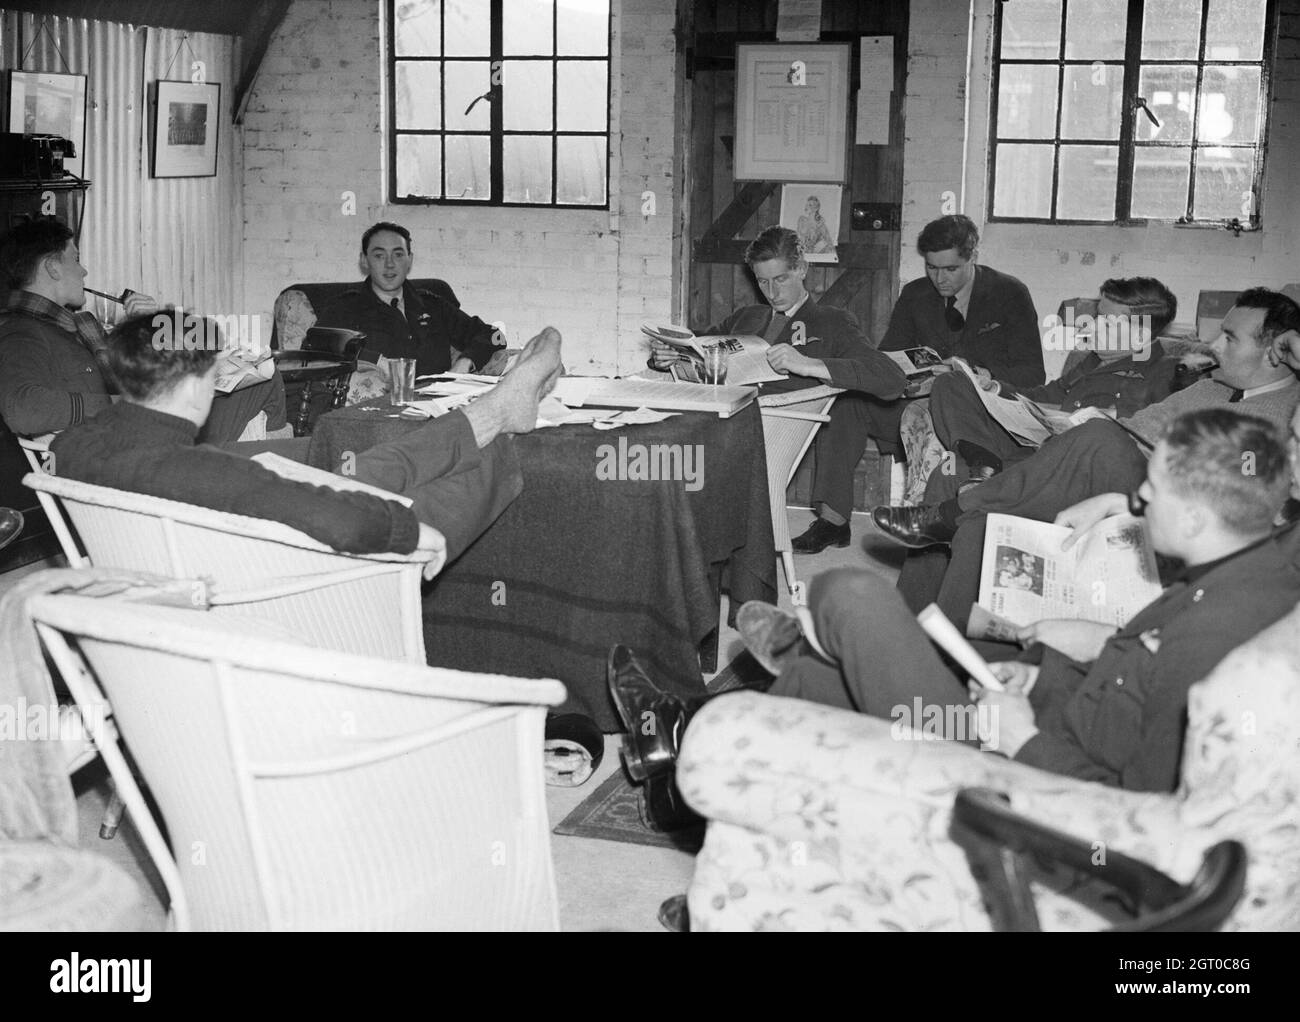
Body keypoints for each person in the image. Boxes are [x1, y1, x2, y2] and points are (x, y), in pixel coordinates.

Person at [610, 406, 1300, 828]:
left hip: (1023, 785)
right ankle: (688, 761)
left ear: (1201, 517)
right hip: (1044, 712)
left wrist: (1022, 738)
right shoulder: (1251, 574)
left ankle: (739, 703)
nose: (1135, 499)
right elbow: (1136, 669)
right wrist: (1065, 662)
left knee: (851, 595)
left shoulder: (1226, 652)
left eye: (1150, 495)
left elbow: (1134, 818)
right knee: (821, 691)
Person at [873, 287, 1300, 626]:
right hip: (1089, 456)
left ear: (1277, 352)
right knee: (965, 499)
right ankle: (915, 629)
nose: (1213, 345)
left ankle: (957, 508)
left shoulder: (1289, 413)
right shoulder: (1210, 386)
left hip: (1159, 493)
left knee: (1099, 435)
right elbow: (1138, 425)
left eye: (1229, 338)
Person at [49, 312, 564, 563]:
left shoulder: (73, 445)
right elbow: (344, 520)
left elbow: (240, 480)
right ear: (196, 383)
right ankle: (494, 424)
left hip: (200, 537)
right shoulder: (208, 474)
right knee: (462, 473)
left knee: (349, 460)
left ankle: (486, 413)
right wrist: (408, 532)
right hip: (269, 564)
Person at [648, 226, 907, 553]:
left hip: (765, 433)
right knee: (647, 441)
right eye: (762, 281)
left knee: (663, 455)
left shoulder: (832, 321)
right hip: (717, 421)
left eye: (780, 279)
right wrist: (669, 356)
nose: (771, 291)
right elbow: (698, 345)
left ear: (801, 269)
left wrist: (809, 365)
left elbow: (890, 377)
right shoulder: (746, 317)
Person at [0, 218, 286, 443]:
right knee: (263, 391)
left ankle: (247, 477)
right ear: (52, 267)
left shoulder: (76, 327)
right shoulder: (21, 332)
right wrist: (120, 405)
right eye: (75, 258)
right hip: (130, 443)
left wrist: (145, 327)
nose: (84, 271)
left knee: (262, 379)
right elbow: (22, 409)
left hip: (142, 429)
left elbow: (146, 376)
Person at [920, 276, 1180, 496]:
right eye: (1098, 316)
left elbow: (1145, 435)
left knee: (952, 477)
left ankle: (983, 472)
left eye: (1107, 321)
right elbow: (1044, 394)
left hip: (1063, 464)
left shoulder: (1166, 372)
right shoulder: (1093, 361)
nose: (1093, 325)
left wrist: (1073, 420)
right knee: (952, 387)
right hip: (1031, 443)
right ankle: (981, 462)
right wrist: (993, 388)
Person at [865, 215, 1044, 457]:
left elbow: (1033, 375)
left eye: (951, 269)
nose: (939, 280)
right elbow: (890, 356)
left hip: (984, 411)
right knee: (849, 406)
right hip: (921, 402)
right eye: (931, 268)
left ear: (973, 258)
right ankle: (829, 496)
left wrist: (976, 376)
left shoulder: (1010, 293)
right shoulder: (914, 294)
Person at [315, 221, 504, 376]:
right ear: (364, 261)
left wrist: (465, 362)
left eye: (398, 255)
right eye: (379, 256)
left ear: (410, 260)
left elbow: (494, 336)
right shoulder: (345, 307)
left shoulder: (432, 305)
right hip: (377, 411)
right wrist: (375, 361)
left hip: (438, 406)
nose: (389, 264)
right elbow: (316, 346)